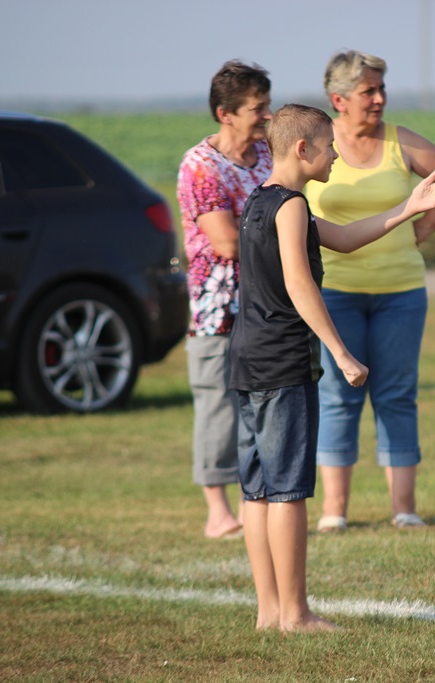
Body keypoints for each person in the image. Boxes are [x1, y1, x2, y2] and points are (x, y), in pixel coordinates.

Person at [230, 104, 435, 631]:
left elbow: (347, 238)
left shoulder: (261, 203)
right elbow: (299, 282)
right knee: (287, 490)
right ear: (302, 149)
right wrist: (340, 351)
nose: (337, 154)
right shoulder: (289, 207)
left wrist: (408, 208)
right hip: (281, 364)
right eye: (329, 146)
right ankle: (296, 613)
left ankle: (269, 612)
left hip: (247, 363)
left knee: (258, 489)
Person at [303, 50, 435, 533]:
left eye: (381, 89)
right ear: (338, 99)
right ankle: (334, 512)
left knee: (397, 394)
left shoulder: (402, 142)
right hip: (334, 291)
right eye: (367, 92)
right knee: (338, 397)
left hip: (401, 292)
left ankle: (405, 509)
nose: (379, 99)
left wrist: (422, 232)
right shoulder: (317, 147)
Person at [177, 60, 273, 539]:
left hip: (266, 305)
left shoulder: (269, 158)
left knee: (260, 405)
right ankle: (218, 510)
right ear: (225, 113)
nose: (266, 117)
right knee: (218, 405)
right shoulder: (201, 166)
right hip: (218, 309)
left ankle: (252, 498)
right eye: (257, 109)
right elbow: (227, 243)